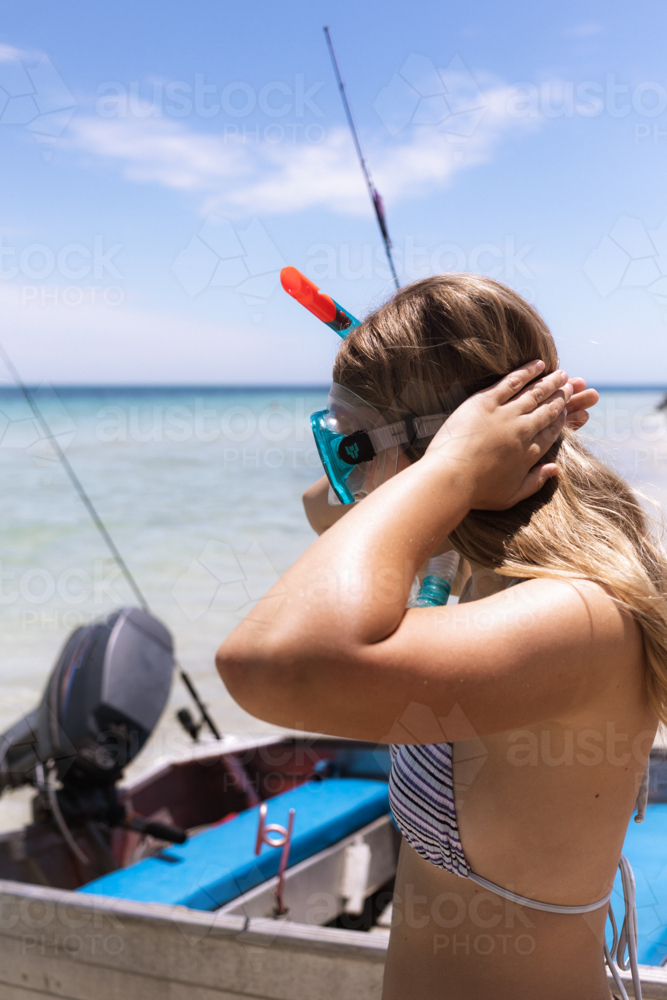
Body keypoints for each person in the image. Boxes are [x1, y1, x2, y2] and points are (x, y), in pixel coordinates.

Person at [216, 274, 667, 1000]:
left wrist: (449, 460)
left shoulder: (574, 617)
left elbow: (268, 664)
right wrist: (413, 440)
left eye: (346, 445)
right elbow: (325, 509)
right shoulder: (470, 565)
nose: (339, 473)